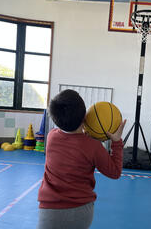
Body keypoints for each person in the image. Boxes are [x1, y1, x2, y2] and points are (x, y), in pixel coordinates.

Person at [37, 89, 126, 229]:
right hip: (81, 211)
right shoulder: (93, 146)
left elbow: (73, 141)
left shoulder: (51, 136)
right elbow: (115, 173)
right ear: (85, 116)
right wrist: (116, 141)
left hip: (50, 211)